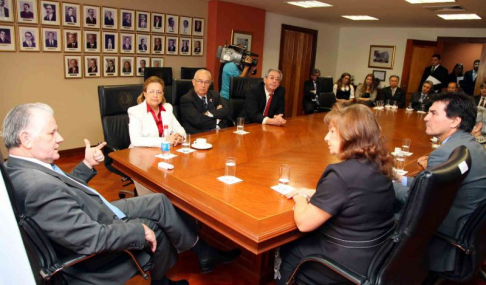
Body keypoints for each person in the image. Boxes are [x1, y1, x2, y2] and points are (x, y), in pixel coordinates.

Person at [3, 103, 240, 285]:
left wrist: (85, 165)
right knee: (155, 225)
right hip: (97, 226)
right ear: (26, 139)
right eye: (52, 133)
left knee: (159, 201)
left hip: (94, 209)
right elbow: (90, 238)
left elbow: (66, 191)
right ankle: (163, 279)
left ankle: (201, 251)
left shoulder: (21, 166)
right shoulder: (37, 186)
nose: (61, 139)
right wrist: (138, 230)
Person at [276, 103, 395, 284]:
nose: (326, 137)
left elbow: (304, 224)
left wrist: (300, 197)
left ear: (350, 135)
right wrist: (315, 192)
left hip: (340, 262)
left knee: (285, 248)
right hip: (376, 256)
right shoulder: (378, 163)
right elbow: (355, 196)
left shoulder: (340, 174)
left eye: (332, 132)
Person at [393, 93, 486, 273]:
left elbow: (419, 202)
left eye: (433, 113)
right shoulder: (470, 144)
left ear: (455, 121)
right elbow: (431, 188)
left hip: (450, 231)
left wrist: (384, 183)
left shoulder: (445, 153)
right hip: (471, 226)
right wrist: (399, 178)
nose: (426, 117)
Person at [180, 70, 231, 134]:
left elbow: (227, 111)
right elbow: (198, 120)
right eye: (200, 81)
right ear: (193, 82)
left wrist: (209, 113)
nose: (203, 85)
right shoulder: (187, 99)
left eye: (207, 82)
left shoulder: (215, 95)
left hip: (217, 133)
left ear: (210, 83)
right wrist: (218, 120)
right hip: (198, 135)